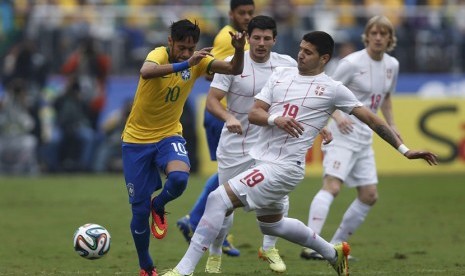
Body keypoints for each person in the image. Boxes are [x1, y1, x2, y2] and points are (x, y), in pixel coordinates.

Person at [161, 31, 438, 276]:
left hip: (285, 168)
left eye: (308, 52)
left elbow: (372, 119)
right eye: (301, 49)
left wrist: (405, 150)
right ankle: (333, 253)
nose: (301, 55)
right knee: (273, 226)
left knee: (217, 199)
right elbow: (255, 112)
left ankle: (183, 271)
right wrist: (275, 119)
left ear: (324, 58)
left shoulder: (333, 89)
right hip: (263, 159)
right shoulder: (282, 74)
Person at [121, 19, 246, 276]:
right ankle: (146, 266)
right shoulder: (159, 54)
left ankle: (160, 205)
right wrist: (185, 64)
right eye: (182, 47)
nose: (187, 53)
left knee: (179, 179)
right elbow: (145, 71)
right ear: (170, 42)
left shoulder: (197, 62)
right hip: (136, 140)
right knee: (138, 211)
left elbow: (233, 68)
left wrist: (240, 49)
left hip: (168, 134)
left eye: (191, 49)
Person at [194, 15, 297, 274]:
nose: (261, 43)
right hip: (234, 146)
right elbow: (213, 101)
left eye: (267, 38)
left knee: (276, 199)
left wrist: (324, 130)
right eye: (257, 38)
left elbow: (304, 99)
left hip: (270, 146)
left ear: (275, 39)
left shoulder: (287, 66)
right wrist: (228, 116)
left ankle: (269, 247)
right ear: (248, 38)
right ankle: (216, 251)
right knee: (224, 206)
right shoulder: (231, 64)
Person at [300, 15, 404, 261]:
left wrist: (392, 124)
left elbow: (386, 98)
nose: (378, 37)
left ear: (390, 39)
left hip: (365, 137)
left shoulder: (392, 65)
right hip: (343, 135)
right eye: (374, 33)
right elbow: (328, 92)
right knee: (333, 187)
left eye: (383, 34)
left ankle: (333, 247)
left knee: (369, 195)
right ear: (366, 36)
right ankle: (311, 244)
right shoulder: (351, 63)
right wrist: (337, 116)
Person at [176, 0, 255, 258]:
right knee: (228, 175)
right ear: (230, 14)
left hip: (229, 112)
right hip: (221, 112)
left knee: (230, 175)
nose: (246, 17)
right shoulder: (226, 37)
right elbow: (212, 73)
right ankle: (199, 221)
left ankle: (209, 226)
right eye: (241, 13)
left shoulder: (244, 37)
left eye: (250, 13)